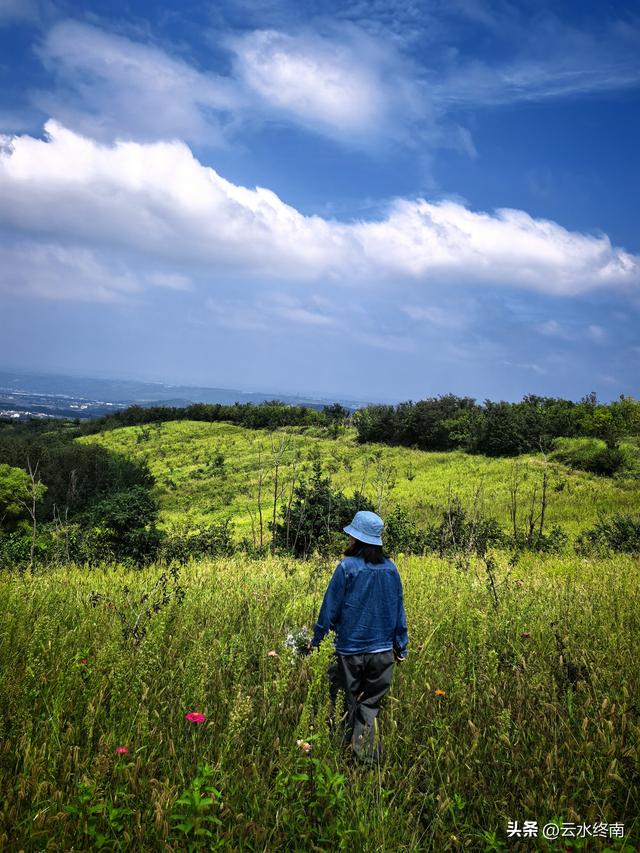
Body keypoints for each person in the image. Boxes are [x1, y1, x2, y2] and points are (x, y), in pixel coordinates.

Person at [309, 510, 408, 762]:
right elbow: (398, 610)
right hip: (382, 653)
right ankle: (365, 758)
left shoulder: (346, 568)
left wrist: (316, 642)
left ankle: (342, 756)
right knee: (369, 706)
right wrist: (401, 646)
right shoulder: (390, 569)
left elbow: (329, 610)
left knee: (345, 703)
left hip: (349, 651)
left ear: (356, 539)